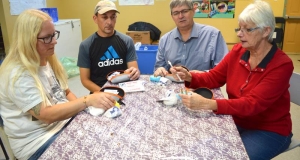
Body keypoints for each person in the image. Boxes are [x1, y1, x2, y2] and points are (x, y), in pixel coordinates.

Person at [170, 1, 293, 159]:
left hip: (268, 130)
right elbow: (214, 77)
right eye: (239, 28)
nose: (240, 34)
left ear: (266, 31)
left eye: (247, 29)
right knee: (199, 148)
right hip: (237, 119)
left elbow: (252, 104)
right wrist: (190, 76)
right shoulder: (238, 51)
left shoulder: (281, 65)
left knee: (231, 156)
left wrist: (209, 104)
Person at [0, 9, 116, 160]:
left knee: (104, 134)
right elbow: (46, 115)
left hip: (61, 125)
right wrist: (86, 101)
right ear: (28, 40)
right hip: (38, 143)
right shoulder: (17, 74)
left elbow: (65, 92)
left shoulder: (45, 59)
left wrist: (86, 112)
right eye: (47, 38)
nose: (54, 41)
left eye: (54, 35)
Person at [77, 0, 140, 93]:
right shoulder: (86, 45)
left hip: (124, 90)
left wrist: (135, 72)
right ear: (95, 18)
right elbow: (85, 80)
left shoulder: (127, 41)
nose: (109, 22)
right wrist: (104, 92)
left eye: (112, 17)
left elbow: (133, 70)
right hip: (99, 92)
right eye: (104, 17)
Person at [154, 0, 228, 77]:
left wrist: (200, 75)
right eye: (176, 13)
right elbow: (159, 68)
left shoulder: (213, 35)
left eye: (184, 11)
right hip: (172, 86)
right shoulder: (164, 40)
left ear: (193, 11)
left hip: (203, 86)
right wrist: (160, 70)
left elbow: (223, 70)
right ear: (172, 16)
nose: (180, 16)